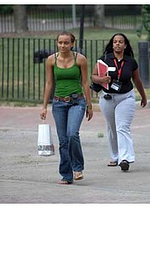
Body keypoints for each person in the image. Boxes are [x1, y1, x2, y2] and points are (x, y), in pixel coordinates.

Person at [40, 31, 93, 184]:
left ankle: (77, 167)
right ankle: (66, 175)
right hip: (58, 103)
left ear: (72, 44)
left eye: (66, 43)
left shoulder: (80, 59)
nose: (63, 45)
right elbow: (49, 83)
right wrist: (44, 106)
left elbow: (85, 83)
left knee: (72, 134)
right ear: (57, 43)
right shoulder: (51, 60)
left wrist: (89, 105)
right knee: (63, 140)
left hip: (77, 102)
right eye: (60, 42)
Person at [91, 33, 147, 171]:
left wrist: (143, 96)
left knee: (122, 127)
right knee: (112, 128)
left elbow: (137, 80)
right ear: (112, 44)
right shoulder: (104, 60)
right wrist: (101, 80)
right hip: (107, 97)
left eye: (120, 42)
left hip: (125, 97)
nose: (117, 44)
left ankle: (125, 158)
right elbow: (93, 77)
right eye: (115, 42)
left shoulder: (131, 62)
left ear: (125, 45)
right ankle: (115, 156)